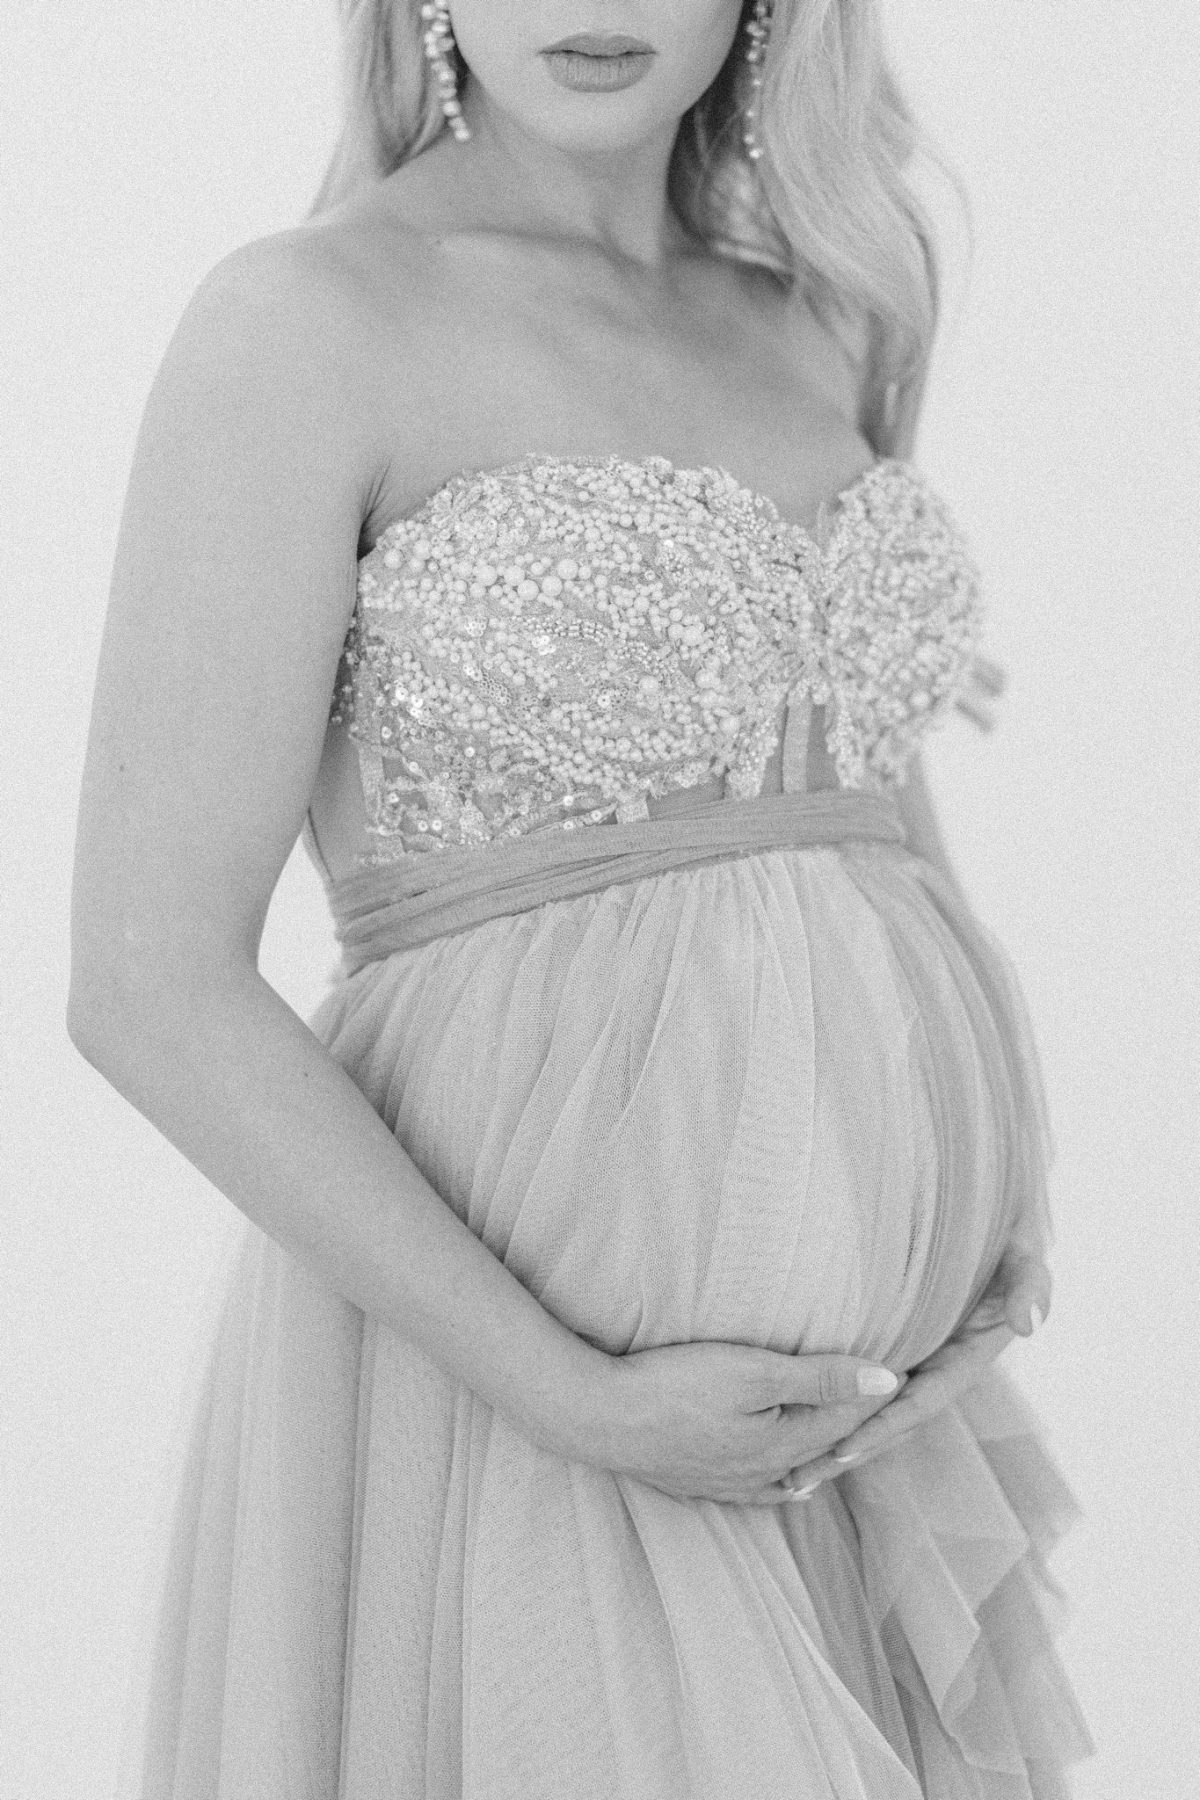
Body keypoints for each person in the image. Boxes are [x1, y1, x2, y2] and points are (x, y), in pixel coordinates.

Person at [69, 2, 1097, 1794]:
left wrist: (993, 1215)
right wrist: (577, 1397)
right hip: (521, 1403)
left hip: (852, 1442)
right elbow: (148, 982)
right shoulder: (307, 322)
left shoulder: (826, 313)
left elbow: (854, 794)